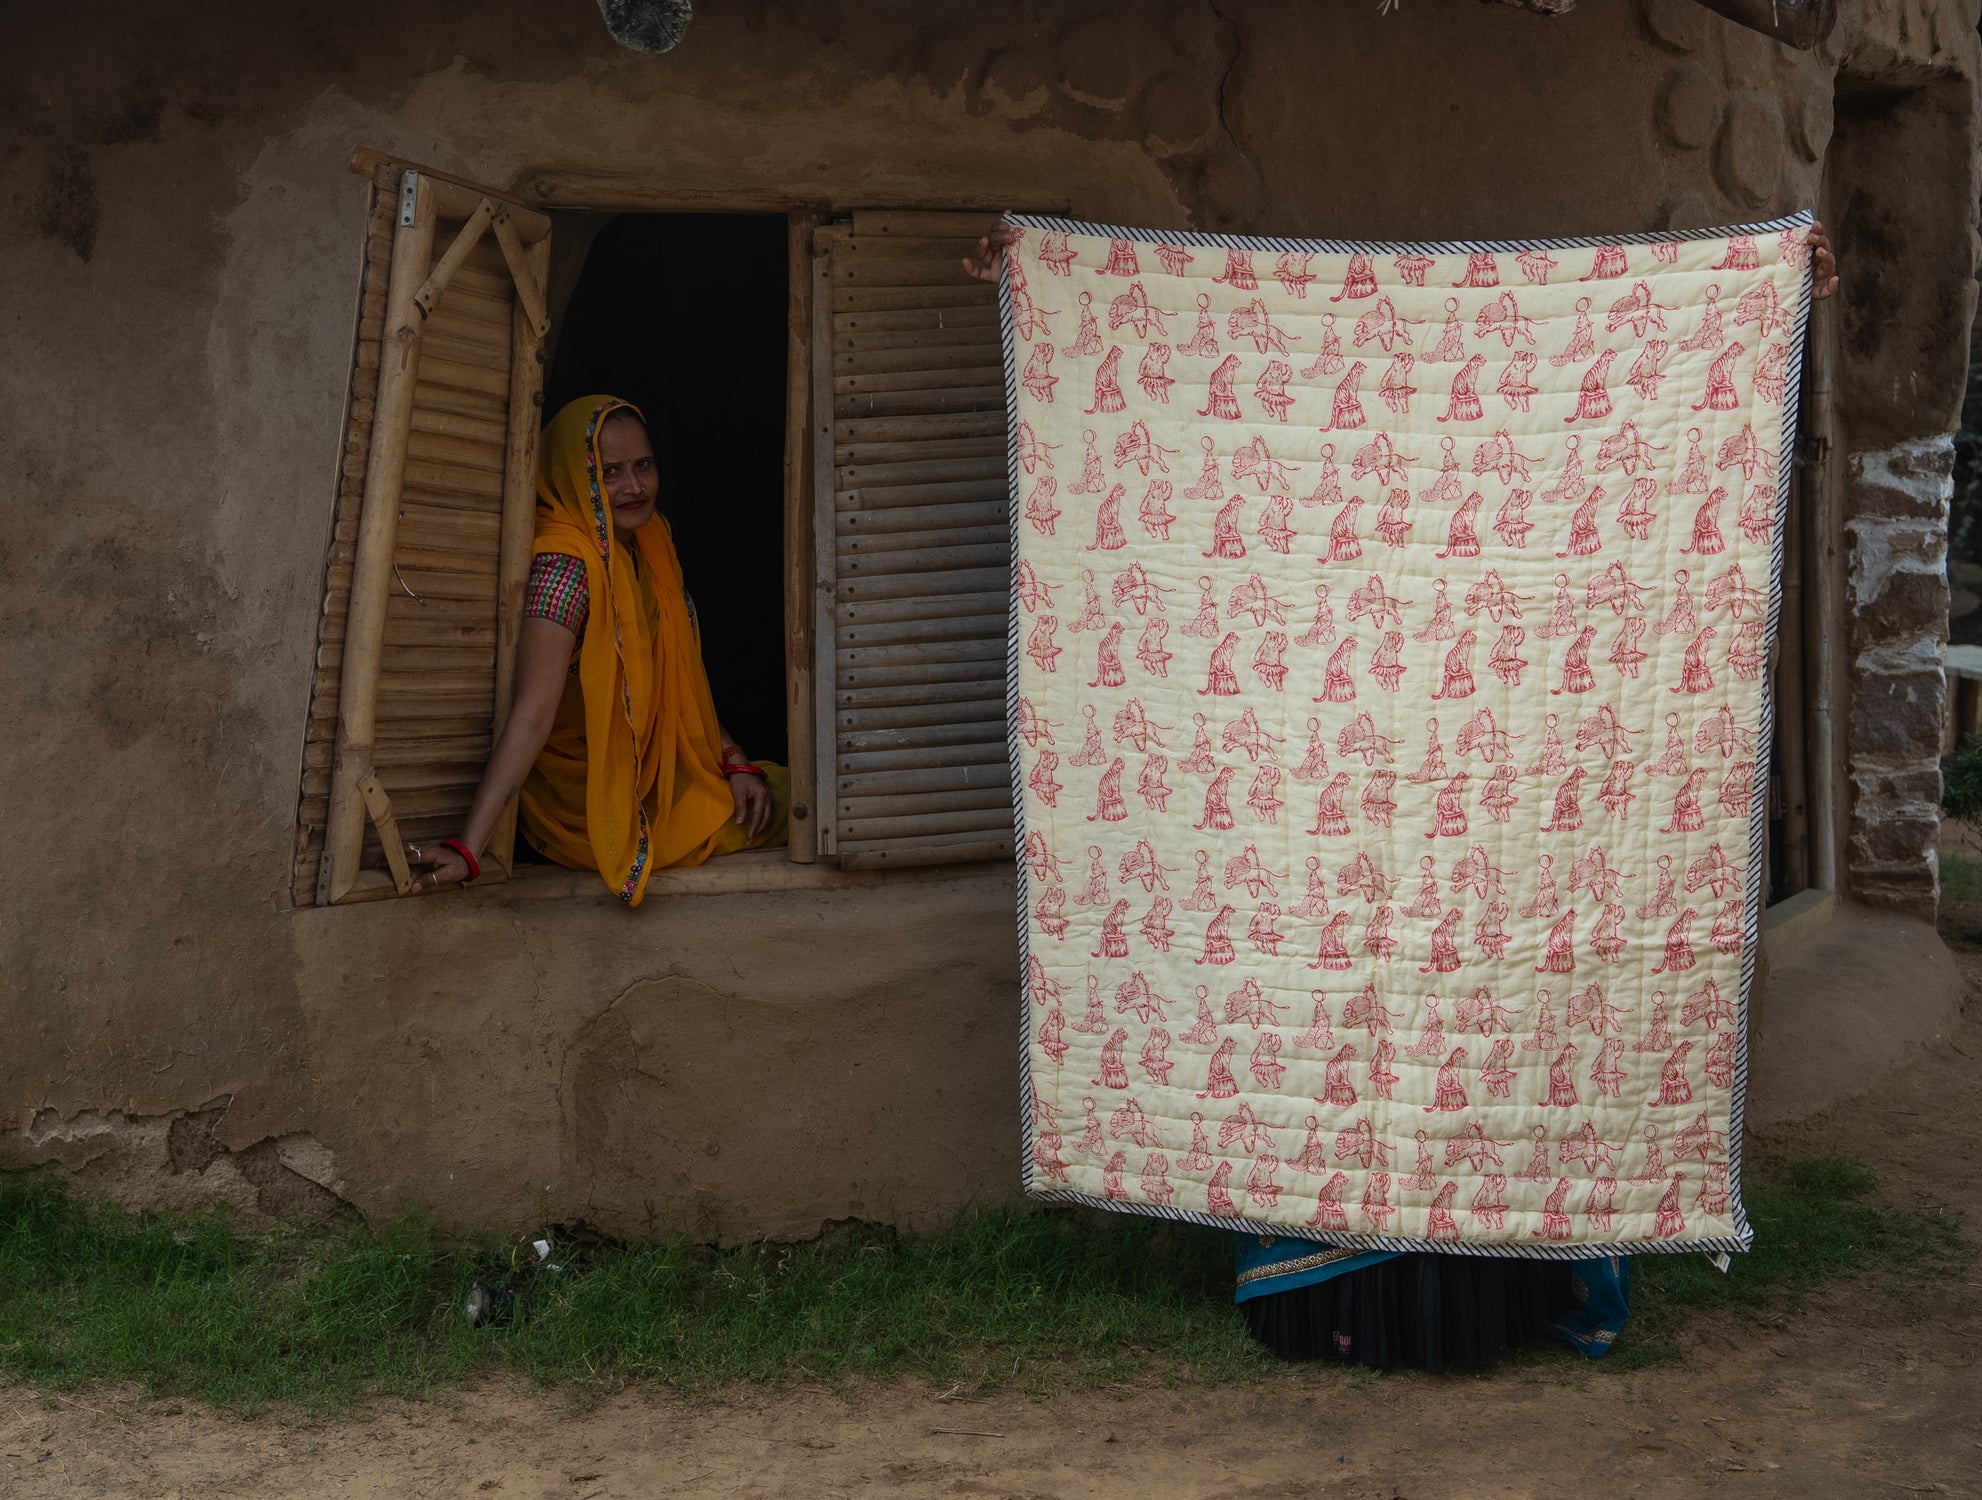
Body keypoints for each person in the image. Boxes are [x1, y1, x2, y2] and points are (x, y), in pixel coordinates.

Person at [969, 217, 1837, 1370]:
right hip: (1317, 796)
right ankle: (1364, 1295)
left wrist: (1772, 280)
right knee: (1336, 1019)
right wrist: (1039, 269)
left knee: (1467, 1033)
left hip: (1488, 807)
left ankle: (1430, 1293)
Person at [405, 394, 785, 903]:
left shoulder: (650, 544)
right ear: (573, 476)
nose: (635, 487)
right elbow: (532, 715)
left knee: (778, 788)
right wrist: (470, 848)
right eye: (610, 472)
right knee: (790, 809)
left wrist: (734, 759)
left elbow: (676, 682)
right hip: (587, 803)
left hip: (651, 776)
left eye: (643, 465)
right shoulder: (564, 569)